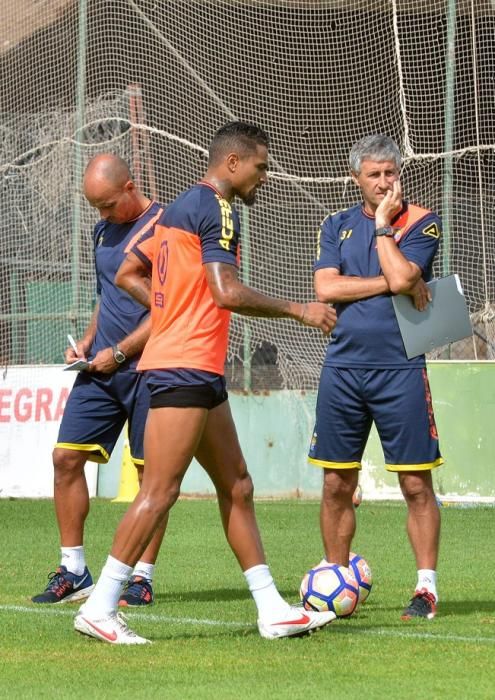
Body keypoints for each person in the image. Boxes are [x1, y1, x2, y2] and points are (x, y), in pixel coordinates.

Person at [73, 121, 338, 644]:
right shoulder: (217, 208)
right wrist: (300, 309)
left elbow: (129, 271)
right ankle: (100, 607)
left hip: (198, 367)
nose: (265, 177)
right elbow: (226, 291)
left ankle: (271, 609)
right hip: (183, 366)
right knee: (159, 491)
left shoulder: (177, 207)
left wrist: (170, 310)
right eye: (261, 167)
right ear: (233, 163)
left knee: (237, 486)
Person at [308, 134, 443, 620]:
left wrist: (385, 229)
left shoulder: (422, 220)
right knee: (335, 484)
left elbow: (410, 277)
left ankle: (425, 588)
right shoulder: (336, 224)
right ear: (356, 178)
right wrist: (392, 282)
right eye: (374, 175)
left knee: (414, 484)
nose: (385, 182)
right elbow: (325, 286)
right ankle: (335, 575)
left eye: (391, 173)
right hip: (342, 369)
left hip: (402, 368)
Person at [32, 154, 168, 607]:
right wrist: (89, 343)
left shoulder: (167, 229)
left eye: (108, 205)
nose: (103, 215)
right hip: (101, 370)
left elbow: (171, 311)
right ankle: (73, 570)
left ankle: (141, 579)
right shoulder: (102, 229)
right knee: (65, 458)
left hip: (153, 368)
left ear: (130, 187)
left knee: (153, 476)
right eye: (96, 208)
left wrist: (124, 351)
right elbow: (106, 296)